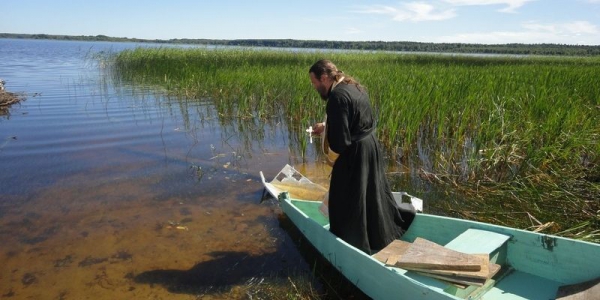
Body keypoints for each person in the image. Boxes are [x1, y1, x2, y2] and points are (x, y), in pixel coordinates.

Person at [308, 59, 415, 254]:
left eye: (314, 82)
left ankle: (354, 243)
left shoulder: (336, 98)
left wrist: (329, 149)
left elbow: (340, 144)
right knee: (371, 192)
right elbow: (356, 119)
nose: (314, 87)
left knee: (345, 197)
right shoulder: (354, 86)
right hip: (370, 147)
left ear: (324, 77)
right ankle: (379, 234)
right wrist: (326, 126)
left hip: (355, 153)